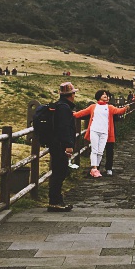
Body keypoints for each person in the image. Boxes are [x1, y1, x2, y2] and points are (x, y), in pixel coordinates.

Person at [74, 89, 127, 178]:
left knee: (101, 151)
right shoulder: (93, 107)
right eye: (104, 95)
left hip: (105, 132)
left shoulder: (110, 107)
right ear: (99, 96)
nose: (106, 96)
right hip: (94, 130)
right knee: (95, 150)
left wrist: (125, 108)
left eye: (107, 95)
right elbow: (82, 113)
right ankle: (94, 168)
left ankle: (97, 169)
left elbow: (119, 111)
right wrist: (74, 114)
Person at [46, 81, 80, 212]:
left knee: (58, 171)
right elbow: (64, 128)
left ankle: (56, 199)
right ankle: (55, 201)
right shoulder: (64, 108)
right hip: (60, 144)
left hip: (55, 143)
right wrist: (68, 145)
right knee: (60, 172)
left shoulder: (60, 106)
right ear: (70, 95)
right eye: (73, 93)